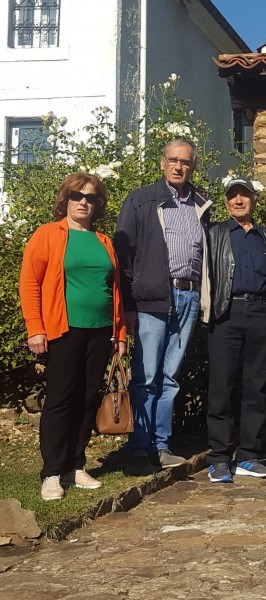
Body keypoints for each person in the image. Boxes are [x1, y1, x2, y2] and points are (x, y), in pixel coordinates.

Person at [20, 173, 127, 501]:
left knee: (87, 399)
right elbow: (30, 283)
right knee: (61, 400)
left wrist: (120, 333)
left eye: (91, 197)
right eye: (77, 196)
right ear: (65, 200)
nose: (83, 202)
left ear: (98, 204)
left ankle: (75, 466)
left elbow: (115, 291)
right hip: (63, 330)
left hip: (101, 331)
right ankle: (52, 472)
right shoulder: (48, 234)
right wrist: (36, 328)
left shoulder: (103, 241)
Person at [113, 139, 212, 475]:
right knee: (146, 375)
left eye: (185, 162)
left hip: (188, 297)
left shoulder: (200, 203)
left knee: (169, 377)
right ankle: (138, 449)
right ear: (162, 163)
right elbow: (123, 256)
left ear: (192, 166)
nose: (178, 167)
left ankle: (160, 445)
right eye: (173, 160)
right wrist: (128, 305)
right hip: (152, 297)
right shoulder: (142, 200)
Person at [205, 177, 266, 483]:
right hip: (227, 312)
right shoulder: (215, 234)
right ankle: (219, 458)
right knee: (221, 385)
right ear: (226, 203)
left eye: (244, 196)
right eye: (233, 196)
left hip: (262, 313)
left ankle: (249, 455)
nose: (238, 201)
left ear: (253, 201)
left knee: (256, 385)